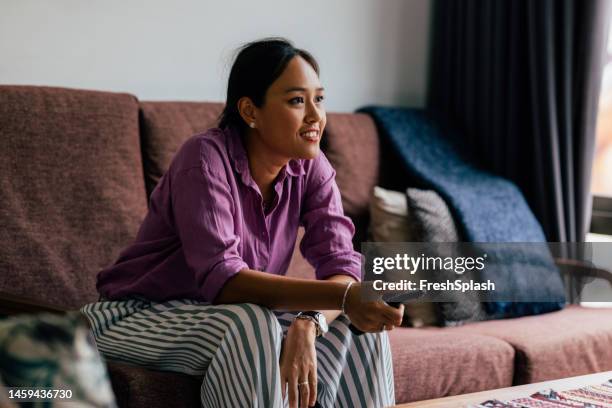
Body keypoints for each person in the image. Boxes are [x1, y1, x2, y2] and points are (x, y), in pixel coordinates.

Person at [81, 37, 403, 408]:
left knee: (361, 324)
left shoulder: (313, 168)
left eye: (320, 98)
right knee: (252, 321)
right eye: (297, 100)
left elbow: (343, 266)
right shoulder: (203, 159)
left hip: (222, 319)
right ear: (250, 111)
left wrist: (310, 321)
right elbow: (225, 281)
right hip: (135, 316)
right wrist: (345, 297)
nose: (316, 116)